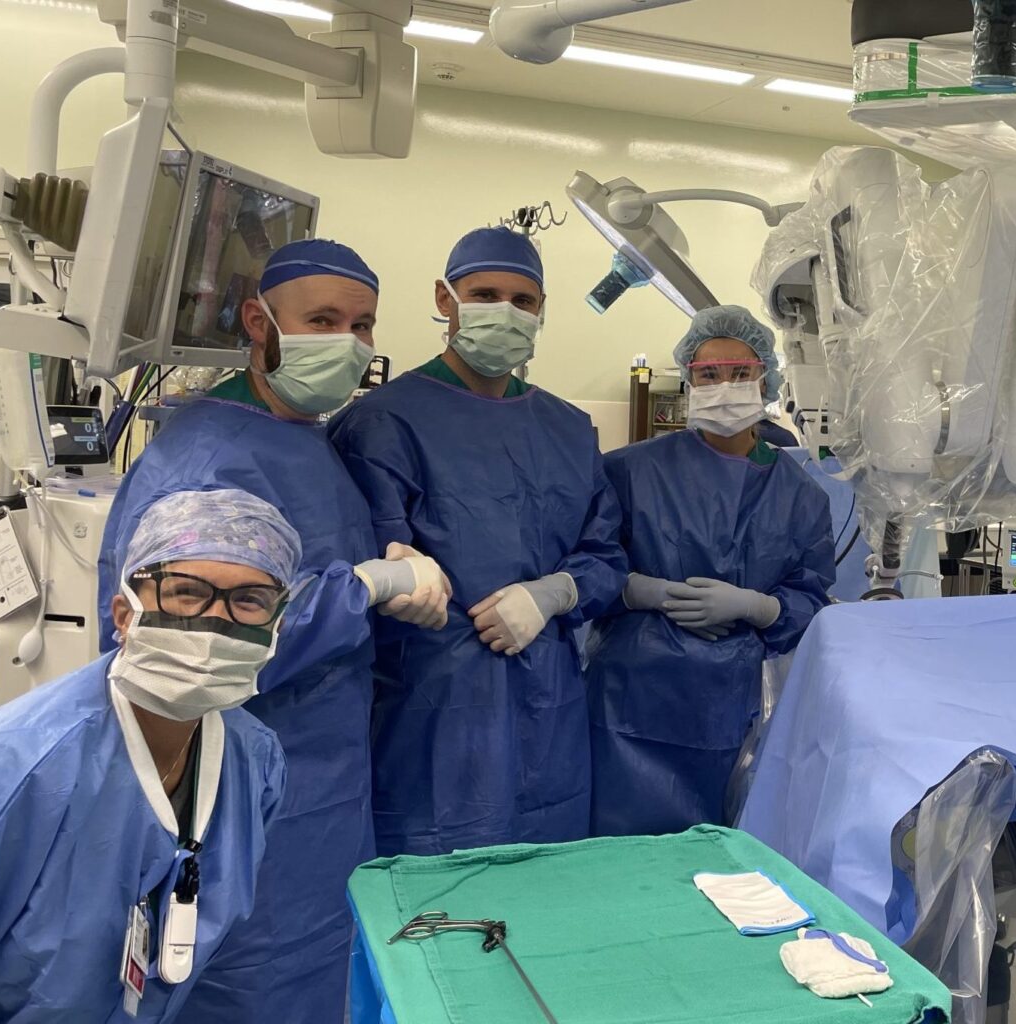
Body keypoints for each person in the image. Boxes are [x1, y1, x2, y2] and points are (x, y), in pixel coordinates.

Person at [96, 239, 449, 1023]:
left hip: (309, 781)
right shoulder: (214, 454)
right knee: (248, 986)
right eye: (321, 320)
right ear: (259, 322)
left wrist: (373, 564)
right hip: (236, 793)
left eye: (362, 326)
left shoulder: (297, 432)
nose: (347, 343)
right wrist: (367, 586)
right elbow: (191, 645)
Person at [0, 489, 294, 1022]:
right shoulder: (1, 771)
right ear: (124, 613)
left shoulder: (253, 761)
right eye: (186, 593)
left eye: (250, 601)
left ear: (276, 625)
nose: (217, 622)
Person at [329, 226, 629, 855]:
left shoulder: (568, 429)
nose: (507, 312)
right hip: (431, 719)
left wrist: (554, 593)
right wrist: (401, 589)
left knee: (542, 902)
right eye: (485, 293)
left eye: (523, 300)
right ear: (446, 298)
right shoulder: (383, 423)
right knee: (430, 914)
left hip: (549, 713)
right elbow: (369, 566)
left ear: (541, 309)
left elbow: (605, 555)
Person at [587, 306, 836, 836]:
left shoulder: (801, 494)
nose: (726, 386)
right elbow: (590, 566)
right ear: (688, 380)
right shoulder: (630, 470)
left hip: (733, 705)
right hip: (631, 705)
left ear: (765, 378)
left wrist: (759, 606)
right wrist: (641, 591)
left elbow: (810, 597)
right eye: (709, 374)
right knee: (623, 858)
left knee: (719, 859)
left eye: (741, 373)